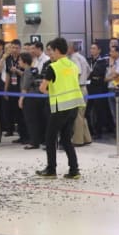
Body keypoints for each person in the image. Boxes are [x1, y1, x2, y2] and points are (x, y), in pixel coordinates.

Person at [36, 37, 83, 179]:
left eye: (51, 51)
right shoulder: (73, 65)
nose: (50, 54)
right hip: (74, 106)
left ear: (57, 50)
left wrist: (52, 92)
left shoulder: (53, 67)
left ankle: (51, 169)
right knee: (66, 139)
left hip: (59, 107)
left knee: (50, 138)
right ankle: (74, 170)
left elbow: (42, 88)